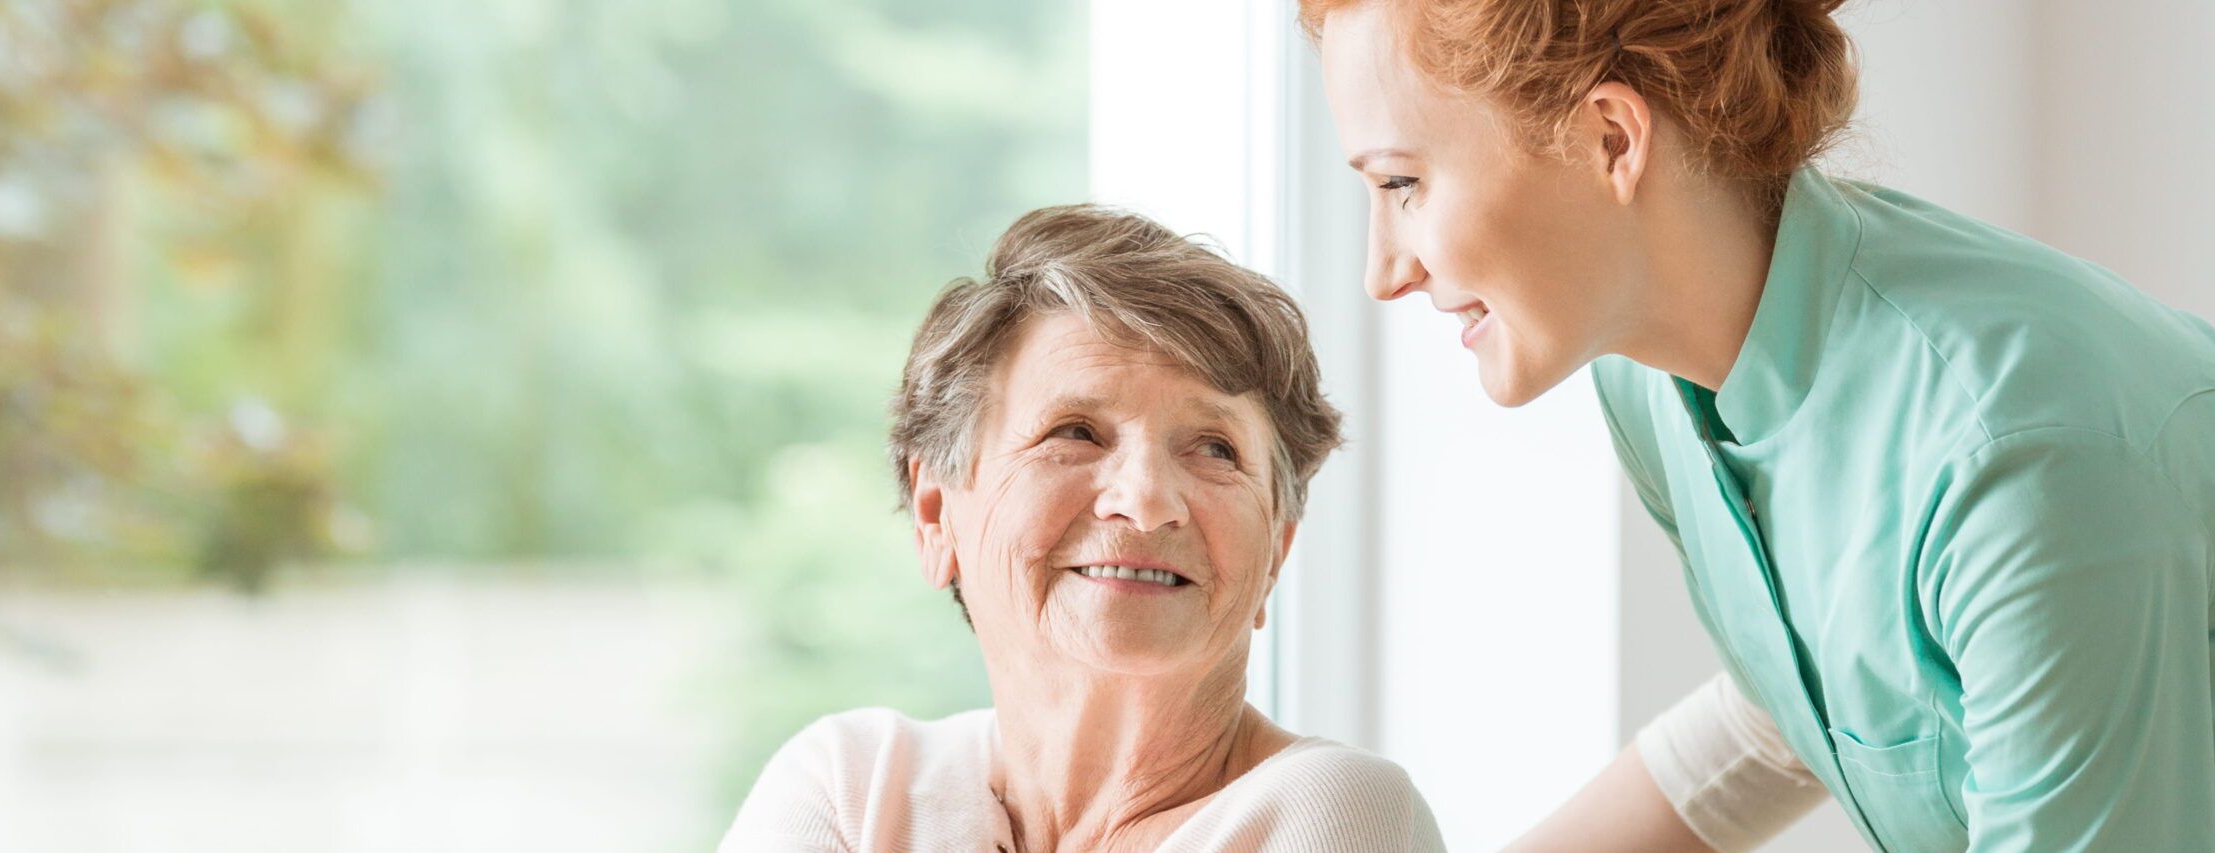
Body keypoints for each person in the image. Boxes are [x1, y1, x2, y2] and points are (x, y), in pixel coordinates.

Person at [1301, 0, 2215, 850]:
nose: (1383, 272)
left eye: (1402, 182)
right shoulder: (1649, 377)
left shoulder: (2019, 461)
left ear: (1609, 138)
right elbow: (1814, 704)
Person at [718, 205, 1444, 852]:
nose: (1147, 499)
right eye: (1076, 431)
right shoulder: (852, 783)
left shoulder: (1337, 811)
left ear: (1276, 551)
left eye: (1216, 448)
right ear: (939, 515)